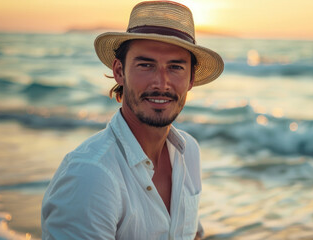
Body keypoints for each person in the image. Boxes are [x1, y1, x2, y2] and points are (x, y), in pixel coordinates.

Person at [41, 1, 224, 239]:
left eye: (176, 67)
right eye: (146, 65)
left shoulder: (189, 153)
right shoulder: (91, 176)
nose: (161, 83)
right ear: (119, 71)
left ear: (191, 79)